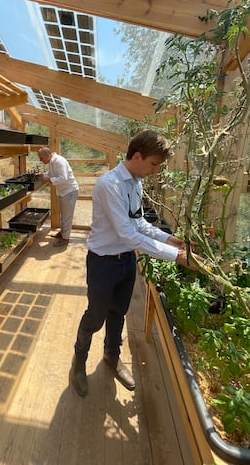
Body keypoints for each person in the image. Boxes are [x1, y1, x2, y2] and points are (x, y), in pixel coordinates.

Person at [70, 129, 203, 396]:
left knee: (118, 312)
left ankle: (111, 355)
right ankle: (79, 362)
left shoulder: (135, 182)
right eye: (154, 164)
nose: (156, 171)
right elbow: (127, 234)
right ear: (138, 156)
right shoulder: (110, 185)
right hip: (103, 262)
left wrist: (169, 239)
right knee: (95, 317)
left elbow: (138, 222)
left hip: (126, 261)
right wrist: (176, 256)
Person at [37, 147, 79, 247]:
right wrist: (42, 175)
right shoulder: (53, 161)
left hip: (69, 191)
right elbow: (52, 174)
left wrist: (48, 179)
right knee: (63, 215)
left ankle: (66, 239)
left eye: (41, 158)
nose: (40, 160)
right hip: (64, 192)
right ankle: (63, 233)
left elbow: (63, 178)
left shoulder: (59, 161)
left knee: (67, 216)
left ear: (47, 156)